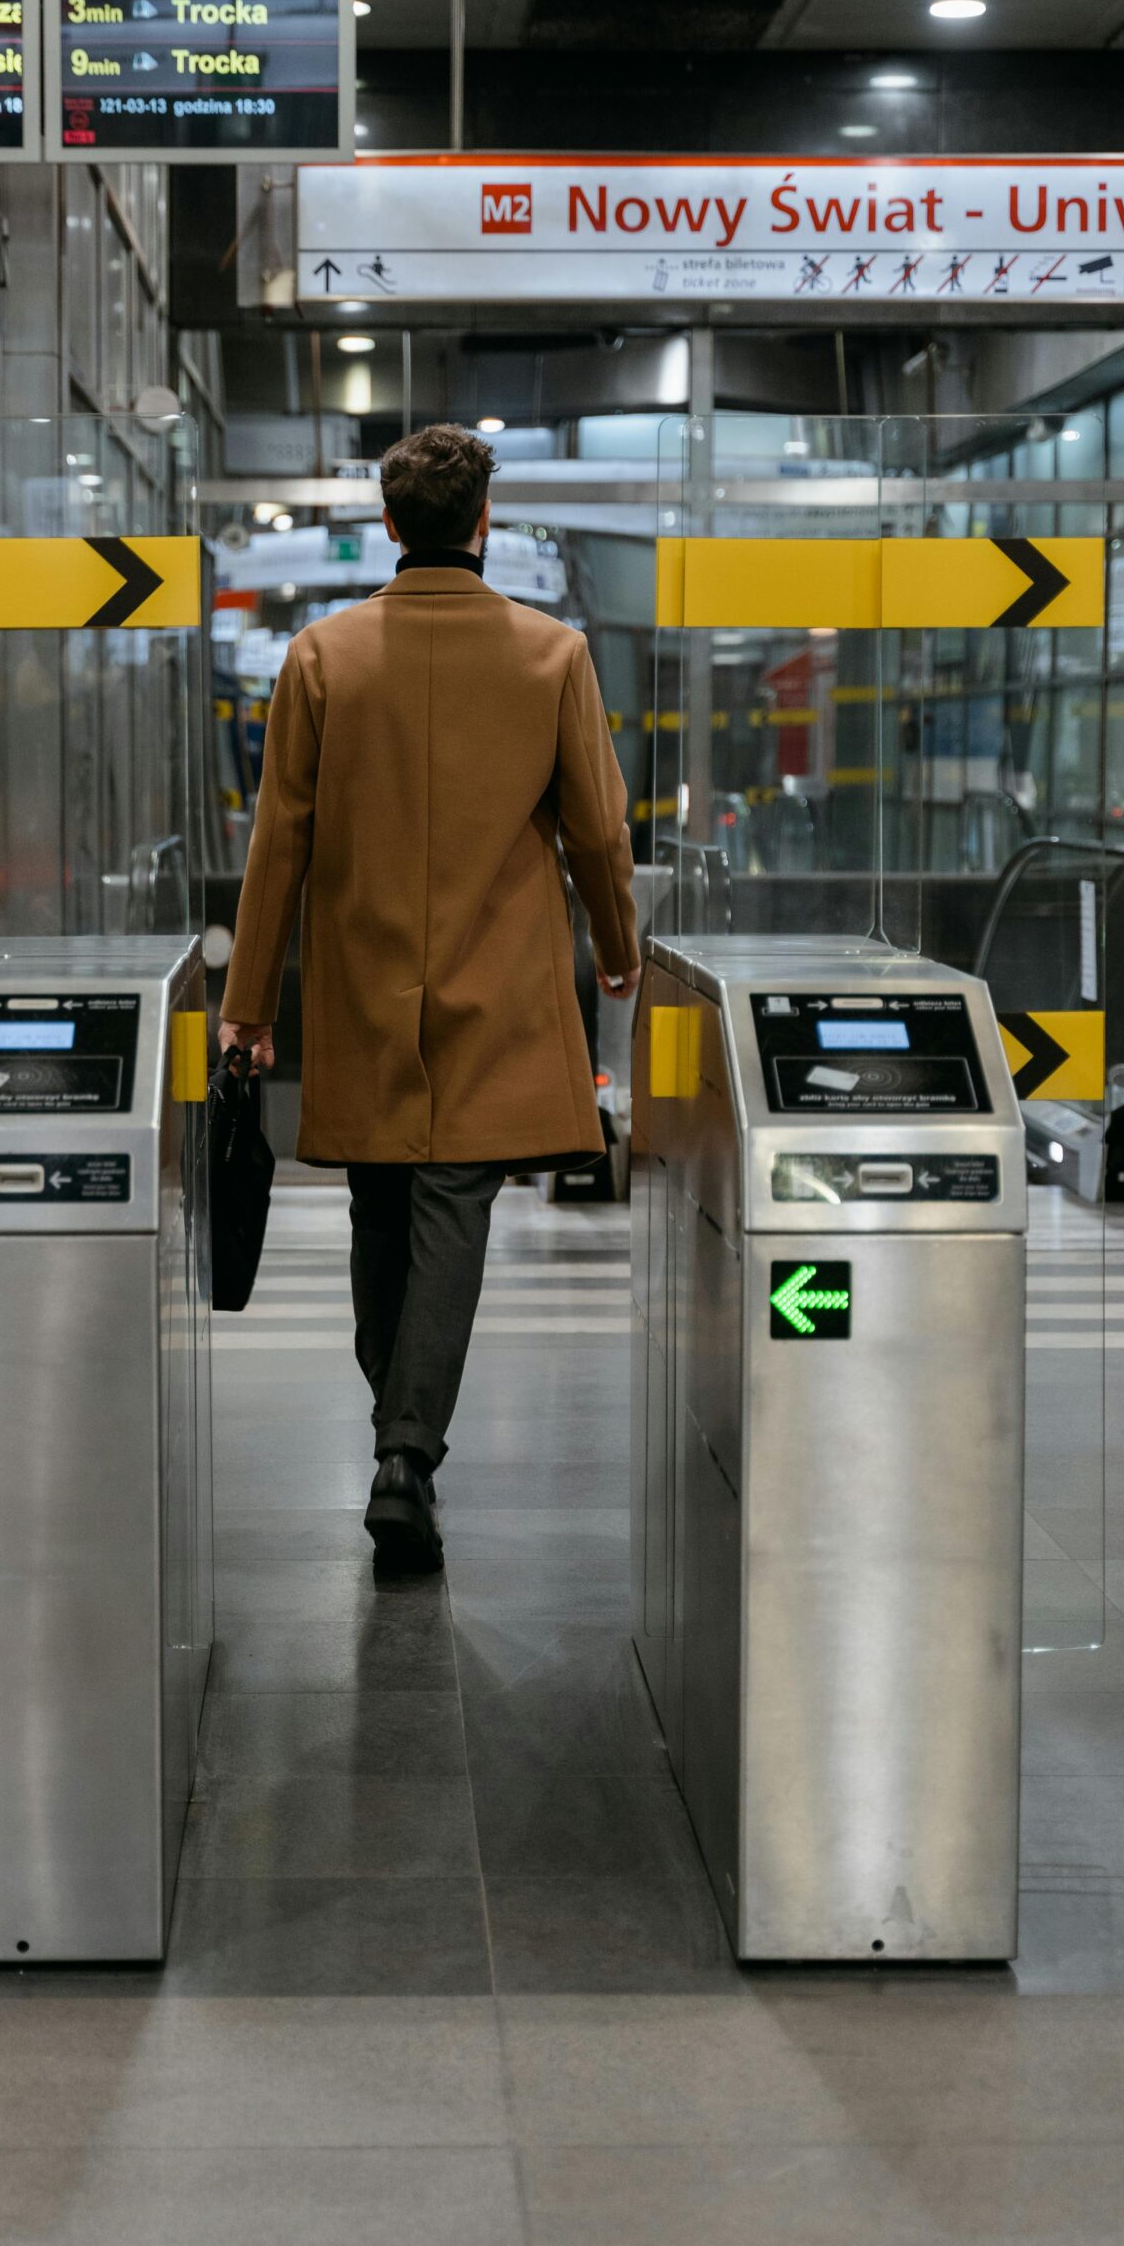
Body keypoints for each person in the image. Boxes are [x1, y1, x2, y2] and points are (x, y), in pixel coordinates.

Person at [218, 423, 639, 1572]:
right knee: (455, 1211)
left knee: (379, 1207)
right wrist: (619, 949)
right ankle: (406, 1453)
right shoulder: (553, 656)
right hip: (496, 990)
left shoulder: (321, 658)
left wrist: (248, 1001)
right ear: (484, 524)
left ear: (391, 525)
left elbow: (278, 847)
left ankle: (397, 1432)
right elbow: (601, 831)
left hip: (361, 983)